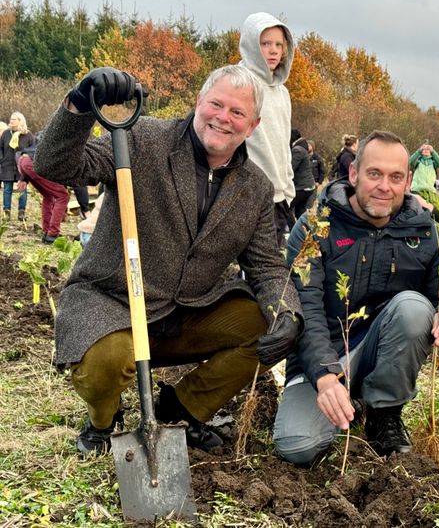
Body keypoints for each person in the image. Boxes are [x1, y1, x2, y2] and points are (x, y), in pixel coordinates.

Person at [35, 65, 303, 456]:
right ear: (199, 102)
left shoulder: (256, 188)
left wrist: (287, 312)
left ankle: (180, 410)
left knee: (265, 324)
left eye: (237, 113)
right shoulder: (141, 139)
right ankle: (103, 422)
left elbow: (266, 265)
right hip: (114, 304)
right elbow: (54, 165)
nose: (222, 118)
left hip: (186, 312)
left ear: (254, 124)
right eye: (216, 104)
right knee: (108, 361)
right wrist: (79, 105)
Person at [273, 130, 439, 464]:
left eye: (396, 177)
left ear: (407, 182)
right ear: (354, 174)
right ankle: (347, 400)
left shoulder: (424, 229)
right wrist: (325, 376)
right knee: (297, 446)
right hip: (323, 357)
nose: (384, 187)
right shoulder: (315, 227)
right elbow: (306, 310)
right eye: (374, 174)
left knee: (415, 309)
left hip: (381, 349)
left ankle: (383, 413)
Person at [239, 12, 296, 248]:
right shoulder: (239, 82)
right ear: (252, 44)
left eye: (279, 45)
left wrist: (288, 186)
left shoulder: (282, 92)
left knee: (272, 262)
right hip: (247, 193)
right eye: (265, 43)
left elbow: (284, 144)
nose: (273, 50)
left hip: (279, 195)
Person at [16, 138, 70, 244]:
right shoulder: (68, 142)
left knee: (48, 196)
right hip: (33, 163)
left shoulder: (52, 132)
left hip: (23, 160)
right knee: (63, 196)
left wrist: (24, 177)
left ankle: (47, 232)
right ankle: (52, 234)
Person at [0, 111, 35, 221]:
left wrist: (27, 160)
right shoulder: (6, 134)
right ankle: (7, 213)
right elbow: (0, 148)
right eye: (11, 119)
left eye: (14, 119)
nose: (11, 121)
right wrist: (2, 159)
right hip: (7, 165)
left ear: (20, 121)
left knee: (22, 190)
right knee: (7, 190)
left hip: (22, 168)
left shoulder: (28, 135)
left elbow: (33, 150)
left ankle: (21, 212)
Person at [289, 129, 316, 227]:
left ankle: (293, 232)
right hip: (307, 187)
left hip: (302, 187)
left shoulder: (297, 150)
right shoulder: (302, 149)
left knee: (286, 207)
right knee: (300, 211)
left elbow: (291, 168)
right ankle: (304, 232)